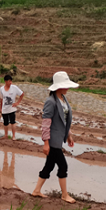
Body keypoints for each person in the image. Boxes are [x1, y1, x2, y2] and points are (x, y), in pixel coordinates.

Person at [32, 71, 79, 203]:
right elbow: (46, 124)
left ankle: (36, 191)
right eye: (66, 85)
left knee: (49, 166)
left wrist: (68, 134)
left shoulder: (64, 99)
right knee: (63, 166)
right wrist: (46, 143)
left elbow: (64, 120)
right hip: (52, 141)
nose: (68, 87)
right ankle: (64, 195)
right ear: (59, 86)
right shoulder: (51, 102)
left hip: (59, 138)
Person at [0, 74, 24, 140]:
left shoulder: (14, 88)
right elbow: (1, 99)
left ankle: (13, 136)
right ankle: (6, 135)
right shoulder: (1, 89)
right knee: (5, 123)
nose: (11, 82)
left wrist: (17, 102)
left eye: (11, 81)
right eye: (9, 81)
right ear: (5, 81)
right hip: (5, 109)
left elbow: (22, 94)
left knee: (13, 122)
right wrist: (1, 108)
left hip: (12, 109)